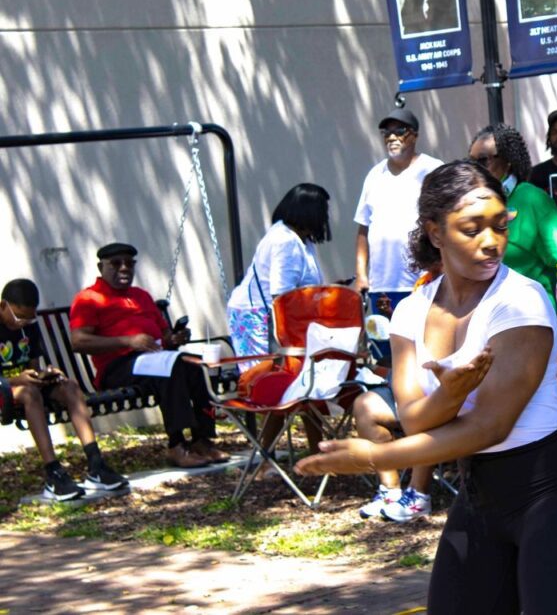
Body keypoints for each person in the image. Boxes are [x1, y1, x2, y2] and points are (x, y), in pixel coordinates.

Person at [297, 161, 557, 613]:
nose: (491, 242)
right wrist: (451, 392)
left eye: (500, 226)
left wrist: (378, 456)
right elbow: (414, 417)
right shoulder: (410, 312)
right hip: (480, 494)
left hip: (552, 490)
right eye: (472, 228)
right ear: (435, 232)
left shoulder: (520, 299)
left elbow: (490, 427)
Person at [353, 107, 442, 519]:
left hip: (420, 287)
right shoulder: (373, 175)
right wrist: (360, 276)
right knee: (385, 369)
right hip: (382, 290)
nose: (392, 137)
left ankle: (419, 490)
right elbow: (362, 229)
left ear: (415, 135)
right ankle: (390, 491)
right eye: (386, 131)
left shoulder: (432, 171)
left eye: (400, 130)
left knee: (420, 375)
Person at [70, 243, 230, 469]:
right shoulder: (88, 298)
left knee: (196, 366)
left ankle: (201, 440)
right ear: (101, 267)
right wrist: (128, 341)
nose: (124, 268)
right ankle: (176, 445)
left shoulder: (140, 296)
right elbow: (78, 342)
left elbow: (163, 335)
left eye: (129, 263)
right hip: (117, 367)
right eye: (116, 263)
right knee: (169, 369)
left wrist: (173, 339)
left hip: (153, 359)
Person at [226, 183, 332, 471]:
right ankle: (265, 458)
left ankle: (304, 455)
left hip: (288, 320)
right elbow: (282, 297)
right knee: (269, 386)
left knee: (299, 386)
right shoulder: (284, 241)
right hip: (259, 318)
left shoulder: (302, 239)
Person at [1, 279, 129, 501]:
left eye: (29, 318)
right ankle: (53, 473)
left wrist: (45, 374)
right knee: (29, 394)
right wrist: (14, 380)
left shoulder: (28, 327)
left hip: (24, 385)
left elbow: (33, 366)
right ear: (3, 306)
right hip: (6, 389)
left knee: (68, 386)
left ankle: (96, 464)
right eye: (19, 317)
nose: (24, 323)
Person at [469, 124, 557, 313]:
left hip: (531, 317)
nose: (476, 168)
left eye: (483, 160)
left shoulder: (533, 199)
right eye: (472, 161)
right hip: (486, 317)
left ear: (507, 161)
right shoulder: (471, 204)